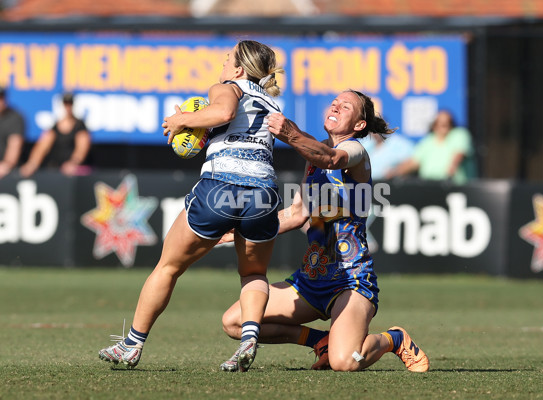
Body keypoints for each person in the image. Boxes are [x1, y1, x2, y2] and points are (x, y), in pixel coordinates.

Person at [97, 40, 284, 373]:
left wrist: (184, 120)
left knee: (168, 267)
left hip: (221, 186)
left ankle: (132, 345)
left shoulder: (227, 87)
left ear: (239, 70)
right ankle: (250, 337)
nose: (224, 64)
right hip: (264, 193)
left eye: (228, 59)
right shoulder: (272, 101)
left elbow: (224, 113)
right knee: (254, 273)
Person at [220, 90, 429, 373]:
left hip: (350, 281)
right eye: (334, 103)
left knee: (345, 362)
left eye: (346, 106)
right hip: (311, 280)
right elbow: (296, 214)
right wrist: (241, 229)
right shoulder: (315, 154)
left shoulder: (355, 151)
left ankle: (393, 339)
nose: (336, 107)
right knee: (235, 321)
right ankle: (320, 340)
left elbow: (332, 159)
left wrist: (292, 135)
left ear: (359, 125)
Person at [386, 110, 476, 184]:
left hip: (454, 187)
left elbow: (458, 155)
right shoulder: (428, 141)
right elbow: (413, 162)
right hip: (429, 187)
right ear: (434, 125)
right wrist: (394, 173)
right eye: (439, 123)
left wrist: (449, 176)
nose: (443, 126)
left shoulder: (459, 134)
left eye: (447, 123)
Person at [19, 92, 91, 177]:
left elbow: (81, 149)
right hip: (57, 170)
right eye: (66, 104)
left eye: (70, 104)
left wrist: (73, 162)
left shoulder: (80, 126)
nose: (68, 107)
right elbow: (42, 147)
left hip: (75, 172)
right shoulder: (54, 127)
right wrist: (32, 164)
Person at [0, 87, 25, 179]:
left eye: (1, 98)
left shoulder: (15, 117)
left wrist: (6, 165)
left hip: (7, 171)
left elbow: (14, 145)